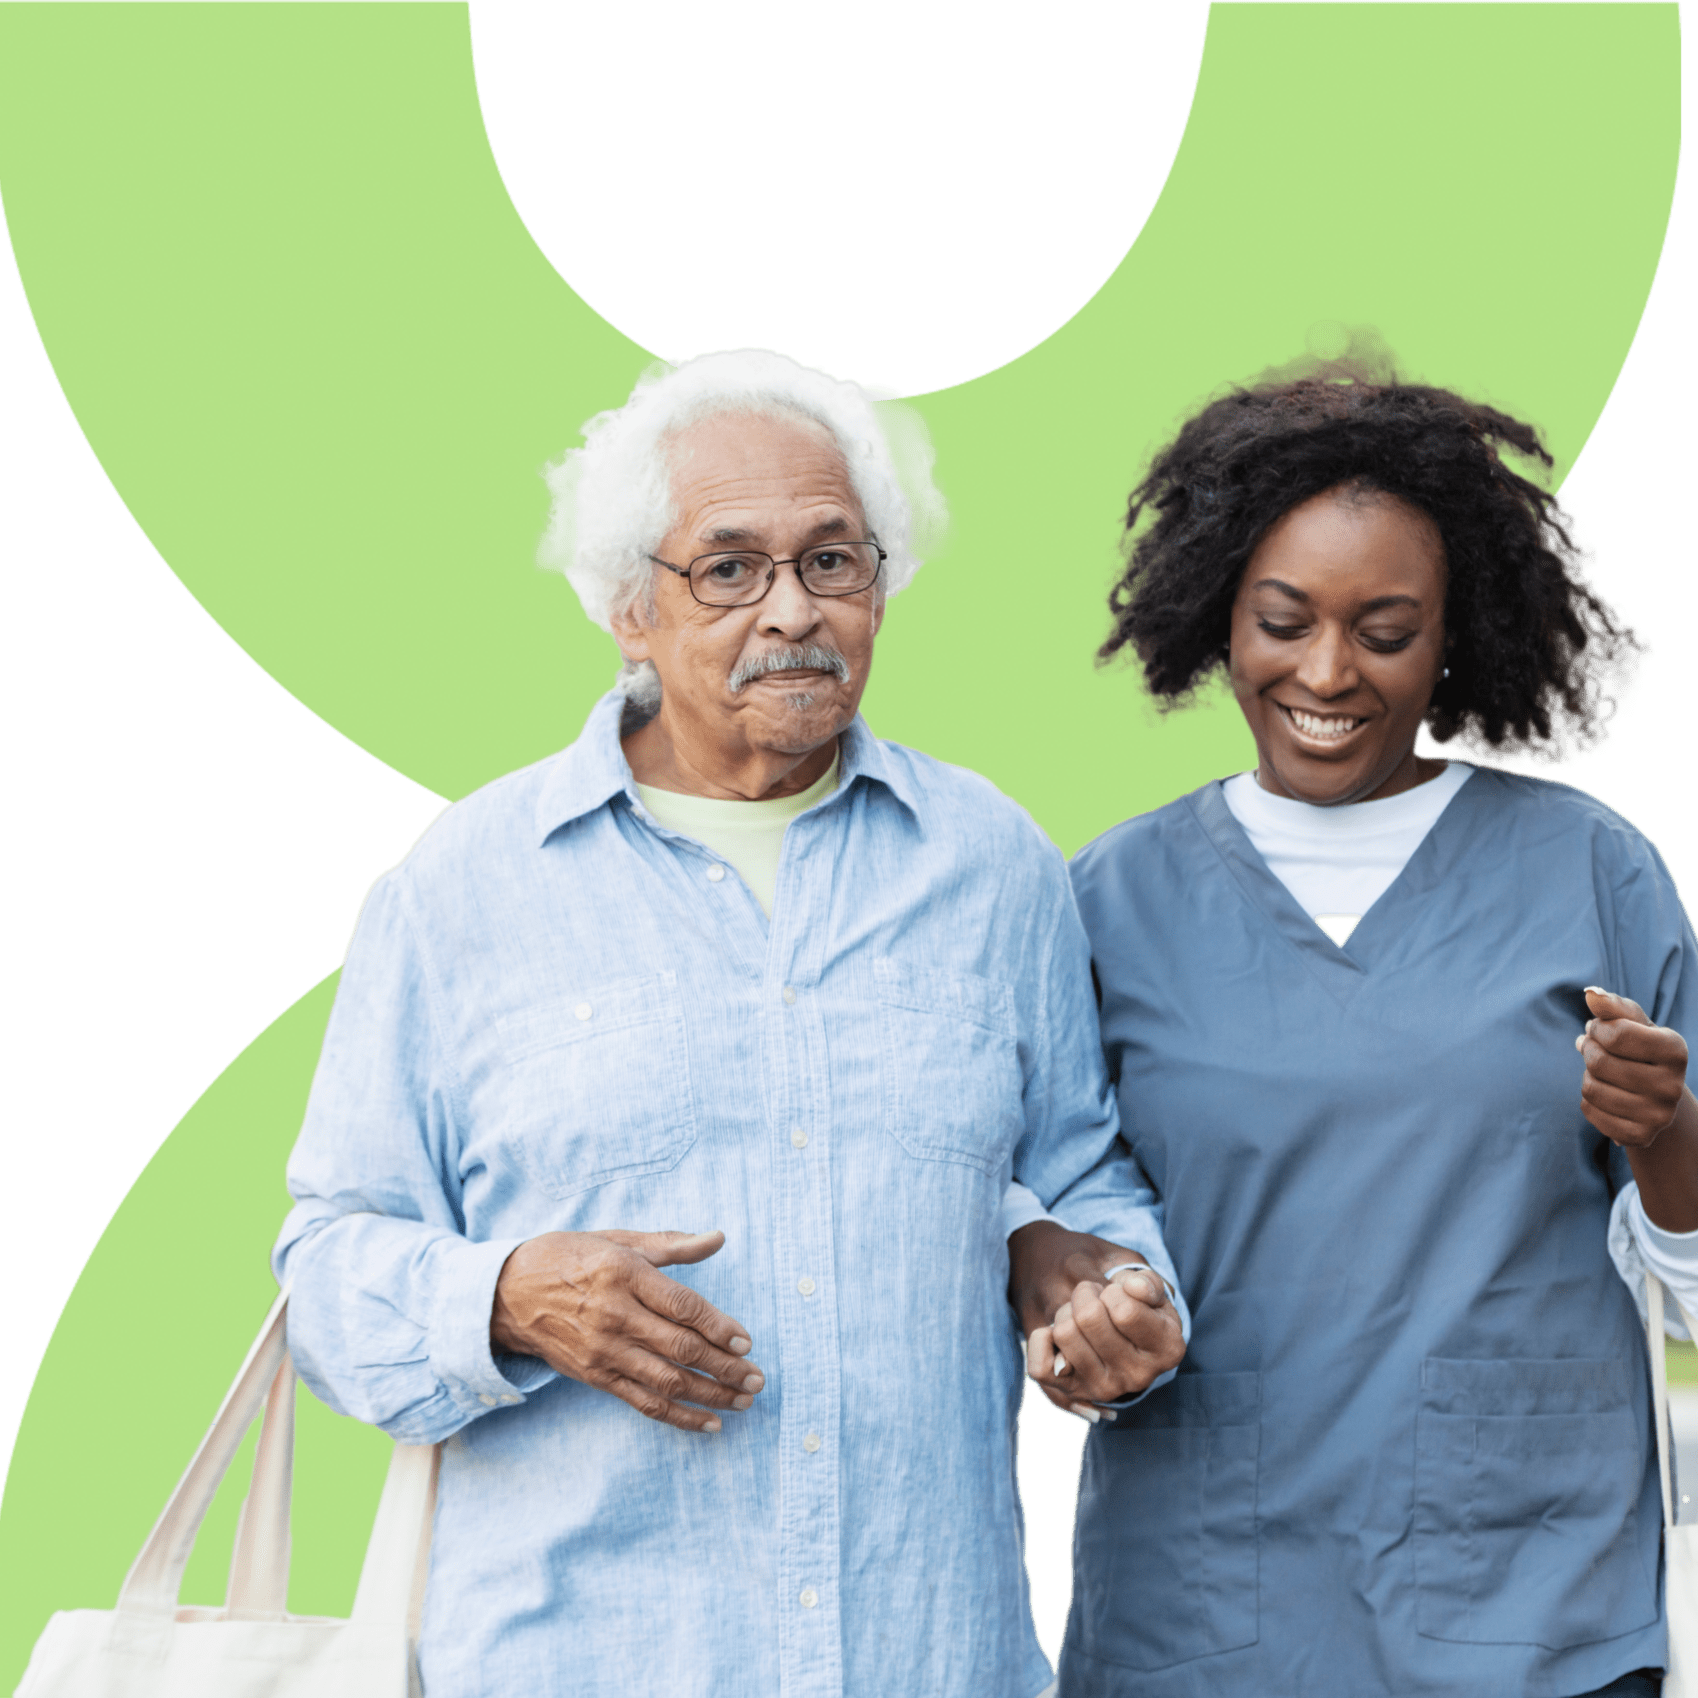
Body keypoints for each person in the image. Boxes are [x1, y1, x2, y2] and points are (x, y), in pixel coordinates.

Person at [271, 347, 1188, 1698]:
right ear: (629, 605)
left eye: (834, 562)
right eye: (730, 568)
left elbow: (1079, 1173)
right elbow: (329, 1268)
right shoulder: (462, 887)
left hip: (932, 1658)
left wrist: (1113, 1292)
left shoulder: (994, 866)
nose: (791, 612)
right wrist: (509, 1296)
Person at [1009, 364, 1698, 1698]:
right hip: (1206, 1622)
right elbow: (1039, 1206)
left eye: (1385, 629)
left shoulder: (1588, 871)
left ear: (1458, 637)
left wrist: (1668, 1128)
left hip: (1534, 1620)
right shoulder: (1110, 897)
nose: (1327, 671)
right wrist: (1064, 1298)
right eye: (1284, 621)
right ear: (1220, 620)